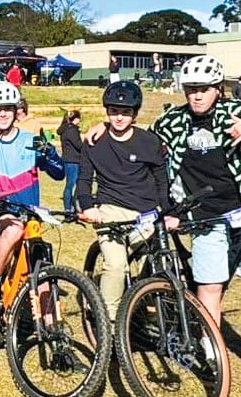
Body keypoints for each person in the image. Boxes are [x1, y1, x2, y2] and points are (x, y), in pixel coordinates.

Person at [138, 54, 241, 392]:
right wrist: (100, 127)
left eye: (203, 89)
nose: (196, 96)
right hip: (205, 216)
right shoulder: (172, 121)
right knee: (210, 289)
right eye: (191, 90)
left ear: (218, 89)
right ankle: (214, 358)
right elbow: (137, 138)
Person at [75, 82, 176, 319]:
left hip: (146, 213)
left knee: (154, 265)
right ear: (107, 111)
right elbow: (83, 179)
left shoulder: (149, 142)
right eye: (114, 111)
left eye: (126, 112)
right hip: (110, 210)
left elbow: (161, 179)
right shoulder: (94, 143)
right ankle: (109, 322)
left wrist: (168, 210)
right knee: (117, 265)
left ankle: (146, 311)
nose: (119, 117)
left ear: (135, 114)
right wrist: (89, 207)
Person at [0, 81, 65, 308]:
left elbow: (59, 173)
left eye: (8, 108)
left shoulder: (31, 140)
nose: (2, 114)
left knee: (42, 273)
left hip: (29, 211)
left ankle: (51, 327)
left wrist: (50, 153)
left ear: (16, 111)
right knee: (14, 229)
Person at [57, 109, 83, 220]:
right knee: (71, 185)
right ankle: (70, 208)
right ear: (75, 119)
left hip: (68, 159)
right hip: (74, 160)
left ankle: (70, 207)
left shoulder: (64, 129)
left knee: (71, 184)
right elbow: (78, 145)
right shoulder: (72, 130)